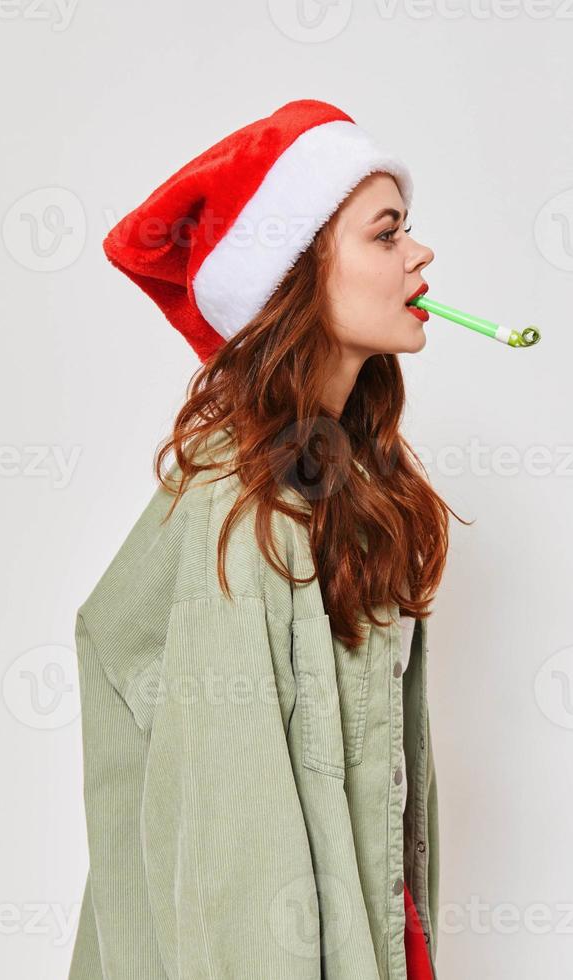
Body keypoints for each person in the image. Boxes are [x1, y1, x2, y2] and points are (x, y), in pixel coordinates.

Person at [68, 100, 452, 979]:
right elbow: (231, 839)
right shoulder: (238, 505)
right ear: (292, 272)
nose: (420, 255)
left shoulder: (336, 482)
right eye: (386, 235)